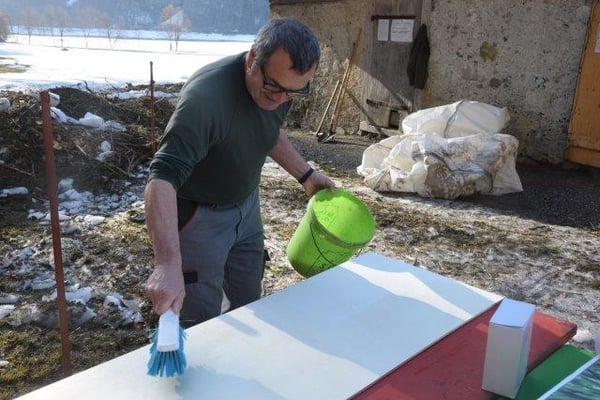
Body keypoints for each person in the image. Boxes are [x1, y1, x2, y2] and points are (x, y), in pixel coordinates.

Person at [144, 17, 335, 327]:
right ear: (252, 60)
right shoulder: (206, 100)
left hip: (247, 207)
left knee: (248, 293)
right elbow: (162, 178)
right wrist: (167, 264)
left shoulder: (282, 88)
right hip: (199, 217)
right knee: (199, 315)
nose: (280, 99)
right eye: (273, 88)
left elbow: (267, 129)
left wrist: (306, 175)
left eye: (293, 93)